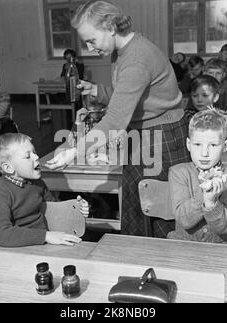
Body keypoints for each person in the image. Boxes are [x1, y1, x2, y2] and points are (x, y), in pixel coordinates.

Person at [46, 0, 190, 238]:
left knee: (158, 211)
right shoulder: (124, 50)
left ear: (111, 27)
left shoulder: (135, 58)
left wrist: (73, 152)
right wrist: (97, 91)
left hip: (161, 140)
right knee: (138, 205)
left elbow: (114, 121)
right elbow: (131, 95)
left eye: (91, 40)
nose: (90, 48)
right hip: (145, 135)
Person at [0, 133, 89, 247]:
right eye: (28, 156)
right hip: (17, 249)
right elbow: (2, 235)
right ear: (8, 167)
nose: (36, 157)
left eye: (34, 152)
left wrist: (77, 210)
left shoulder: (37, 183)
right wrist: (46, 236)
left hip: (44, 242)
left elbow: (54, 212)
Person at [167, 109, 227, 243]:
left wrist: (212, 204)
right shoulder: (178, 173)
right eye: (197, 144)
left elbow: (226, 227)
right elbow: (184, 220)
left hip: (221, 246)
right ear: (188, 144)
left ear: (224, 146)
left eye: (213, 145)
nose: (204, 153)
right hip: (184, 245)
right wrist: (204, 196)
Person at [184, 75, 227, 150]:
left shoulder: (221, 115)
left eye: (205, 95)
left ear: (215, 97)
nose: (199, 100)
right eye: (195, 95)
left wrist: (220, 146)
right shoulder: (188, 115)